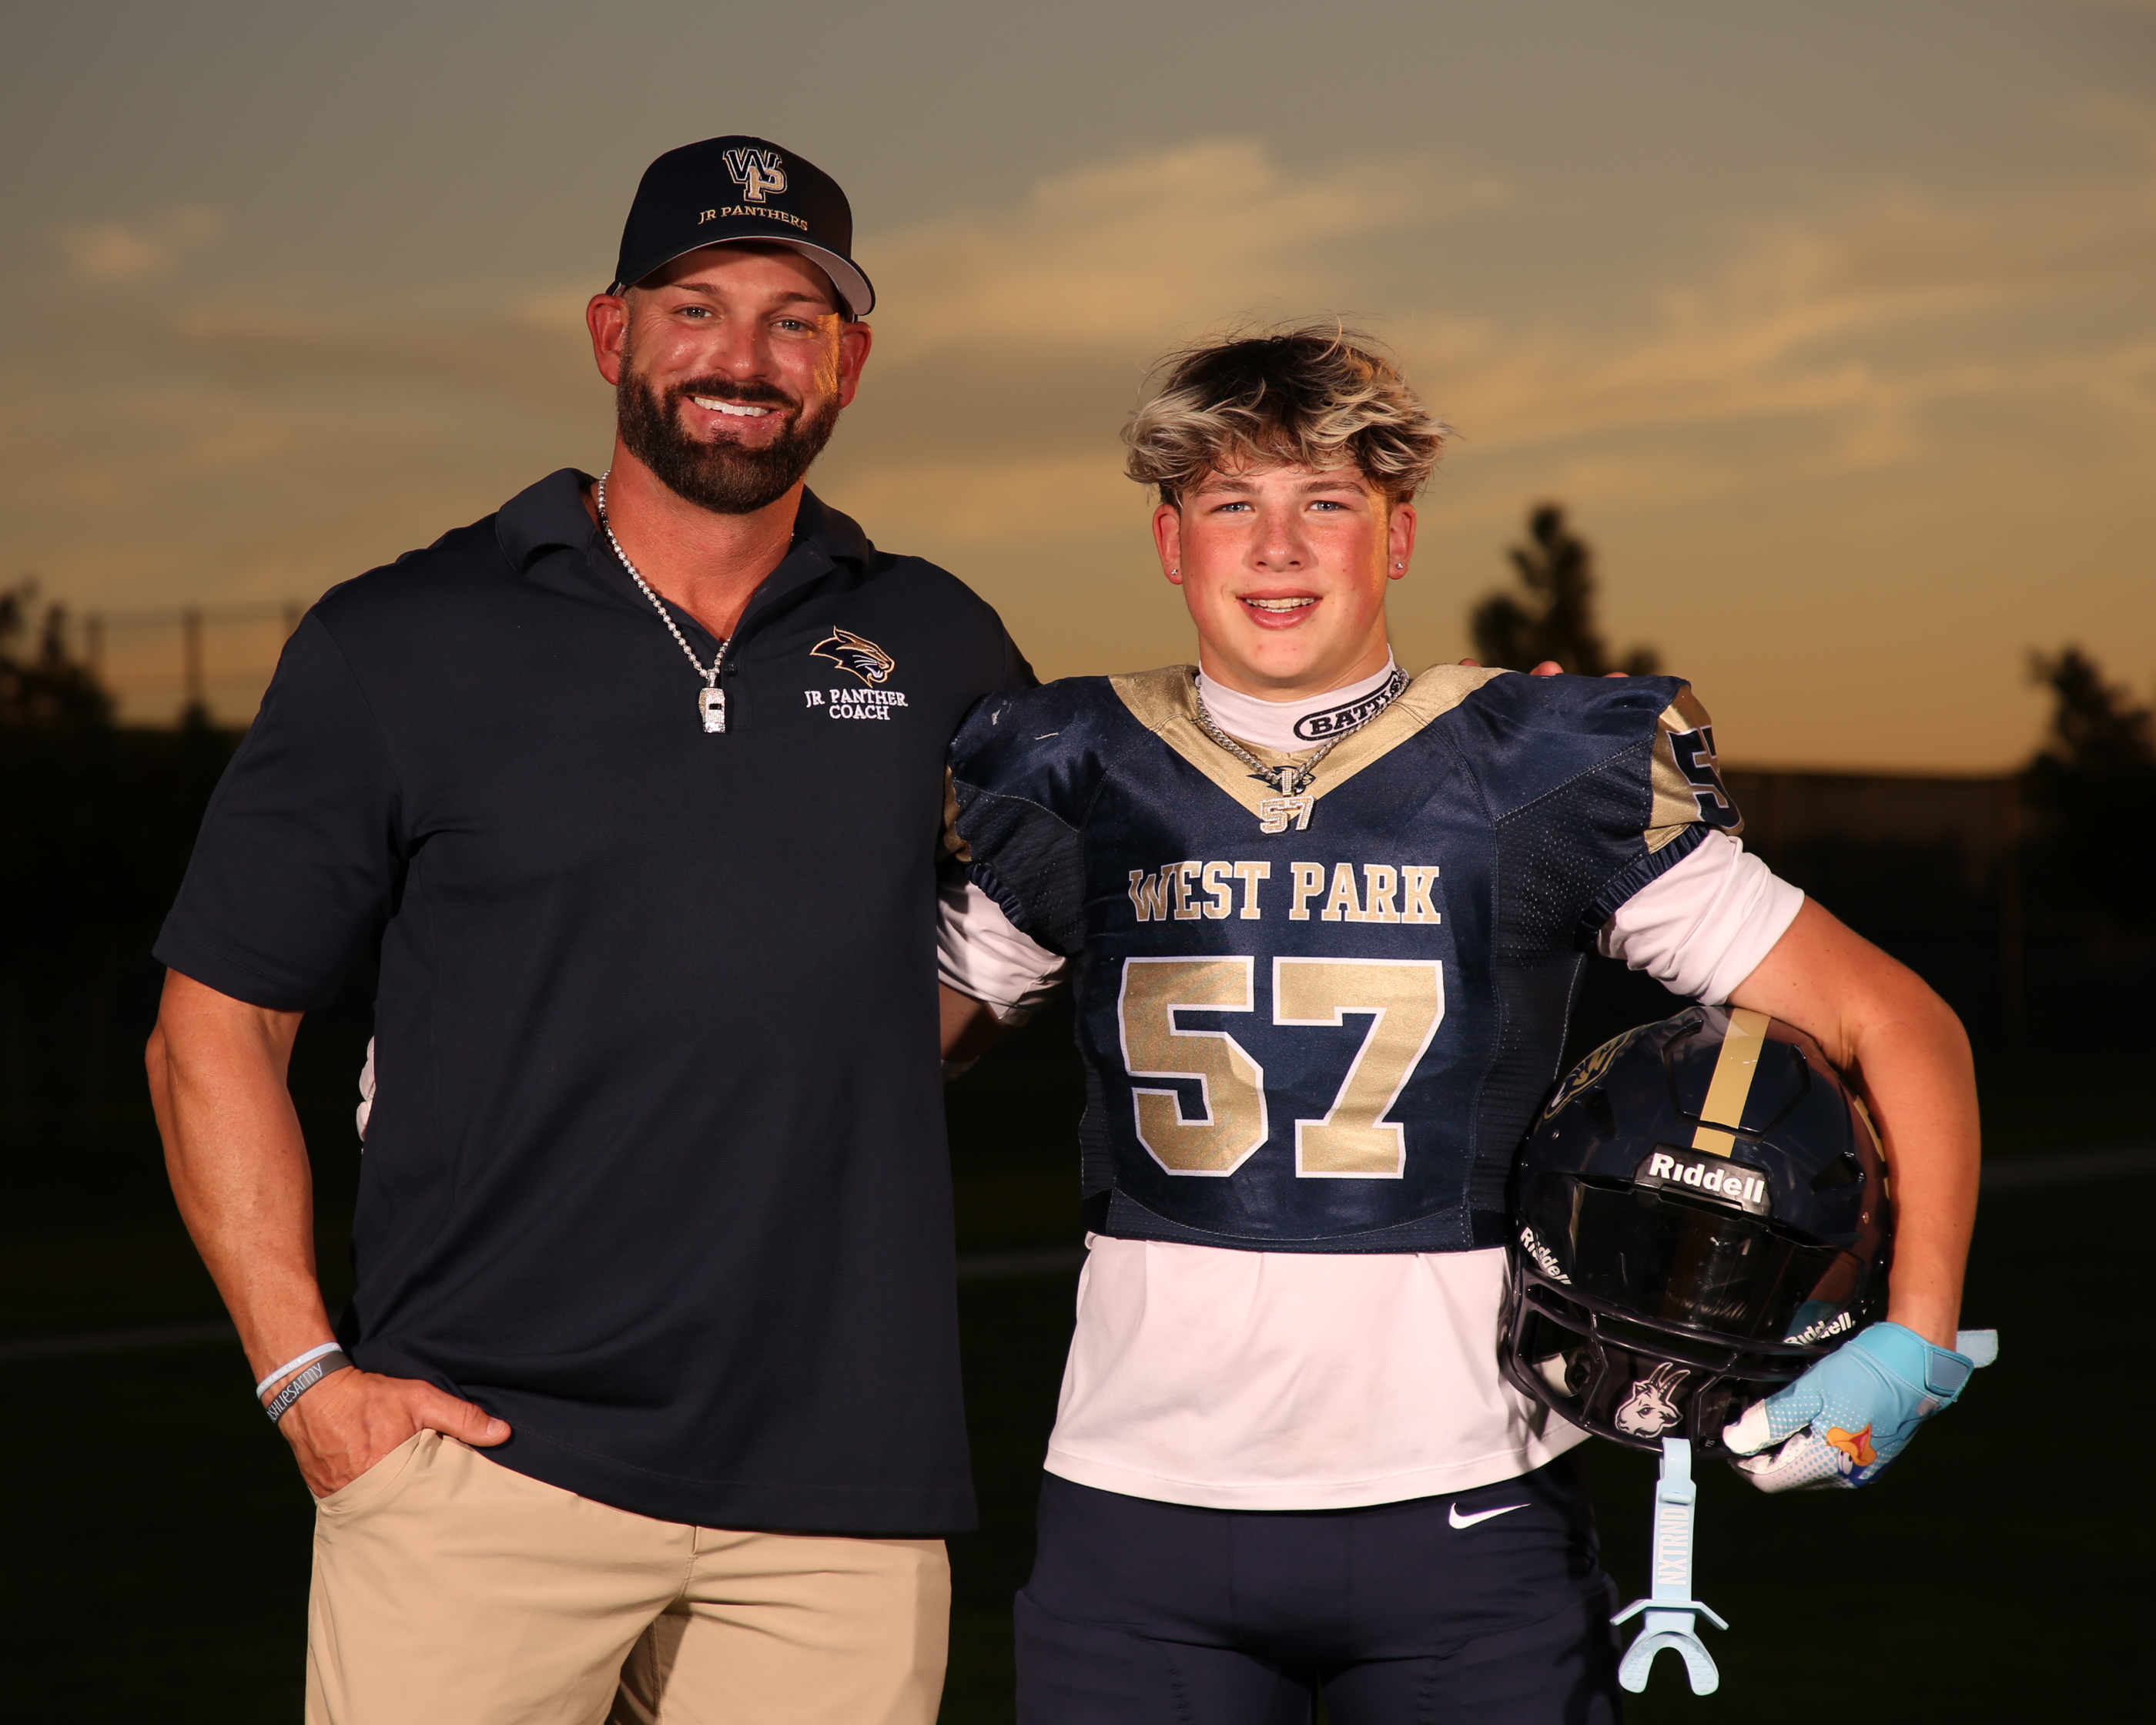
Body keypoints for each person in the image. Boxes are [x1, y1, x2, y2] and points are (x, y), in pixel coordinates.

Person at [935, 327, 1981, 1722]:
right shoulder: (1075, 771)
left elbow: (1894, 1020)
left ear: (1400, 535)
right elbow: (863, 1062)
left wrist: (1916, 1334)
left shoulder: (1533, 769)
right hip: (1139, 1517)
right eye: (1233, 502)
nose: (1278, 546)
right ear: (1170, 540)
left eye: (1327, 501)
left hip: (1470, 1508)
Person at [145, 135, 1028, 1725]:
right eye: (695, 309)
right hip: (481, 1462)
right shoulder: (401, 639)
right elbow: (215, 1024)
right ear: (611, 332)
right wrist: (303, 1378)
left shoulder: (937, 639)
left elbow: (938, 994)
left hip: (840, 1489)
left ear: (848, 362)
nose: (743, 358)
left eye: (792, 320)